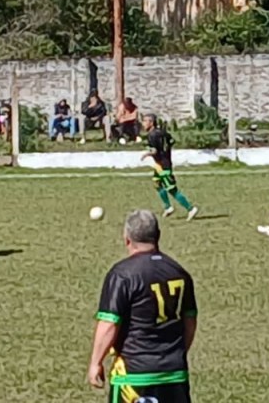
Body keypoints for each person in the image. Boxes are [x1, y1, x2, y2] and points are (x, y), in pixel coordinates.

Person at [87, 210, 197, 403]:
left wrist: (96, 362)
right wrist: (174, 355)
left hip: (134, 376)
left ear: (127, 239)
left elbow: (110, 324)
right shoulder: (180, 272)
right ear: (158, 236)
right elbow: (190, 321)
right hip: (175, 375)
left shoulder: (122, 274)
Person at [141, 114, 199, 220]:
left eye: (145, 121)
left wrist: (146, 154)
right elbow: (172, 141)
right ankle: (168, 207)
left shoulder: (152, 135)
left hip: (163, 165)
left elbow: (154, 151)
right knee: (157, 183)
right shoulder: (163, 132)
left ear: (151, 122)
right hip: (161, 164)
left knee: (172, 189)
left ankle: (190, 208)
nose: (143, 123)